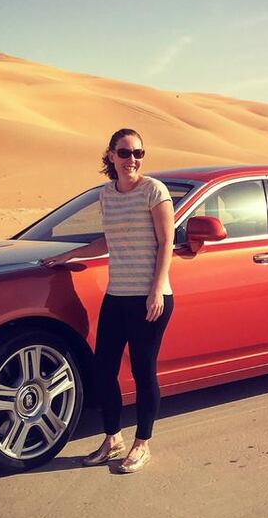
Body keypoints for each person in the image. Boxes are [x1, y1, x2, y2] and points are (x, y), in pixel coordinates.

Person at [42, 128, 175, 473]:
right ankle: (112, 438)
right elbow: (109, 241)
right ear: (111, 156)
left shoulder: (154, 191)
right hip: (116, 296)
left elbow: (166, 242)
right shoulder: (107, 194)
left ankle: (142, 443)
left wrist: (157, 288)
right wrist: (69, 256)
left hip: (150, 298)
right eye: (125, 152)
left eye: (138, 153)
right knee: (103, 371)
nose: (132, 160)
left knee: (144, 372)